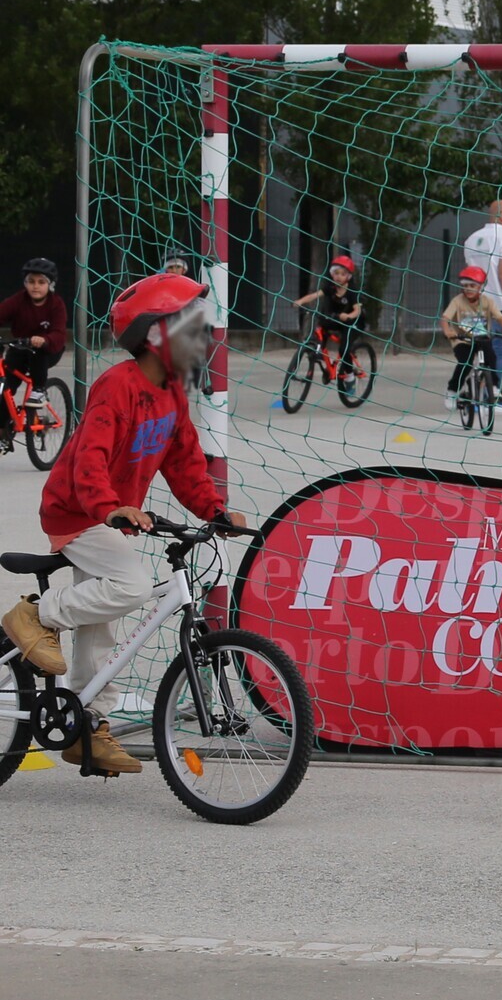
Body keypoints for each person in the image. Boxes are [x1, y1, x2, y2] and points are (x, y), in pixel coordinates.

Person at [1, 273, 244, 776]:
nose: (203, 339)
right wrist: (109, 505)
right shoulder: (119, 384)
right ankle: (37, 614)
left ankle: (86, 725)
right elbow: (89, 455)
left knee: (100, 629)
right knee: (131, 584)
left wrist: (213, 510)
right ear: (156, 334)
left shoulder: (172, 392)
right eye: (192, 327)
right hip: (79, 510)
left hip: (110, 515)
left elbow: (184, 463)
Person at [461, 199, 502, 402]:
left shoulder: (471, 239)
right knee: (500, 351)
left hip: (474, 304)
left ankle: (471, 393)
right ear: (501, 215)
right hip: (499, 306)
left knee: (475, 350)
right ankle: (492, 395)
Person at [439, 266, 502, 407]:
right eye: (465, 286)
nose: (468, 289)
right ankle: (452, 390)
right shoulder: (458, 301)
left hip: (482, 339)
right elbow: (445, 318)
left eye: (473, 285)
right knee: (465, 363)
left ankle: (495, 388)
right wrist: (447, 331)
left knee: (492, 358)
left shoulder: (487, 301)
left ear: (480, 287)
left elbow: (500, 318)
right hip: (462, 340)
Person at [0, 258, 71, 396]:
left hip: (49, 349)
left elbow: (59, 333)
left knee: (37, 352)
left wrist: (44, 340)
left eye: (41, 282)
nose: (36, 286)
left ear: (50, 285)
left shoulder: (56, 304)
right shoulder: (19, 300)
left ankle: (39, 390)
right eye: (31, 281)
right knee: (7, 388)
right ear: (25, 284)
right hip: (21, 347)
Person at [291, 253, 364, 355]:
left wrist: (348, 316)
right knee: (322, 326)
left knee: (344, 350)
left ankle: (350, 371)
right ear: (332, 274)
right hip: (338, 319)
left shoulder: (352, 292)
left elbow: (357, 310)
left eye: (343, 274)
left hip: (353, 322)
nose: (339, 277)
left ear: (348, 276)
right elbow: (313, 296)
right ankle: (321, 352)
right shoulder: (330, 288)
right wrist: (300, 301)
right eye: (336, 273)